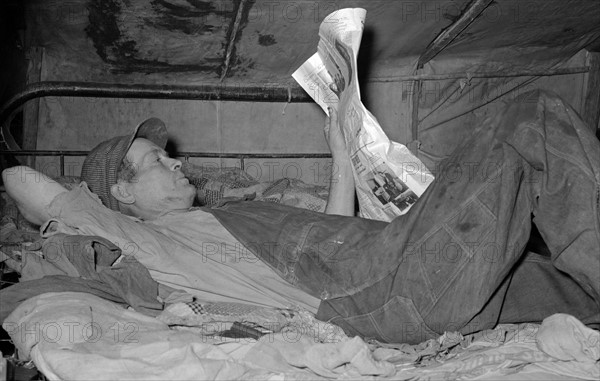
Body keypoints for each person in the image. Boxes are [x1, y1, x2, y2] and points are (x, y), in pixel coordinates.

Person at [2, 90, 599, 344]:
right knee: (531, 117)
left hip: (380, 271)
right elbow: (19, 181)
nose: (177, 164)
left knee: (572, 289)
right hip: (387, 289)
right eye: (157, 160)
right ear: (121, 194)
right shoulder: (144, 238)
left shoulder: (230, 219)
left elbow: (331, 242)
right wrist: (87, 202)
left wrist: (341, 154)